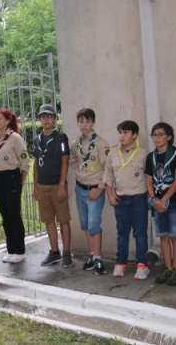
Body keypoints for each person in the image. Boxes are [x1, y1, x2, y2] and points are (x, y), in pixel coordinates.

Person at [104, 120, 150, 280]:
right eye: (120, 133)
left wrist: (149, 199)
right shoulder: (113, 152)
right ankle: (121, 263)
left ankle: (142, 264)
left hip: (139, 199)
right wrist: (110, 195)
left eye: (126, 133)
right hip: (120, 200)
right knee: (122, 234)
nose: (122, 136)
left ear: (135, 135)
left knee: (140, 234)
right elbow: (107, 175)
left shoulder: (143, 153)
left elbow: (149, 178)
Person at [69, 108, 110, 274]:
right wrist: (80, 172)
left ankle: (99, 258)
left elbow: (108, 168)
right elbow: (72, 160)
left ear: (93, 122)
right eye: (81, 121)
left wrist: (100, 188)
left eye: (87, 121)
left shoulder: (101, 143)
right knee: (85, 224)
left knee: (94, 225)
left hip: (95, 190)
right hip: (80, 189)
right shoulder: (75, 143)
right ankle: (92, 255)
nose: (84, 124)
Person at [145, 122, 176, 286]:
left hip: (173, 202)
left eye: (160, 134)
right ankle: (168, 268)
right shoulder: (151, 157)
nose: (156, 138)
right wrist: (154, 199)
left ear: (169, 137)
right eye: (154, 135)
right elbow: (149, 180)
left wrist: (165, 199)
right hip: (157, 203)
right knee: (163, 236)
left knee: (175, 236)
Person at [0, 108, 30, 264]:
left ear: (7, 120)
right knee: (5, 215)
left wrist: (20, 181)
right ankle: (11, 249)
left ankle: (20, 250)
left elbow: (25, 162)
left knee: (14, 215)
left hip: (11, 177)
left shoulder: (15, 138)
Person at [33, 104, 73, 268]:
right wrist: (35, 186)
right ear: (39, 119)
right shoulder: (37, 139)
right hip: (42, 186)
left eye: (49, 116)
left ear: (55, 119)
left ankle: (67, 253)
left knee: (63, 220)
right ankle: (54, 252)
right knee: (48, 220)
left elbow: (65, 161)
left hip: (57, 186)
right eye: (43, 117)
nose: (46, 120)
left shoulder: (61, 137)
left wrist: (62, 185)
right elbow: (36, 163)